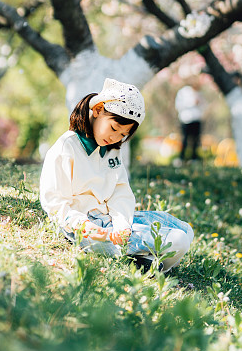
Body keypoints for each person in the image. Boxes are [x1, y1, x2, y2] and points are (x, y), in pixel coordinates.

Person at [40, 78, 194, 272]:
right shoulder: (66, 148)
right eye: (113, 128)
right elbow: (54, 202)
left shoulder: (111, 150)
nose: (115, 138)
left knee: (185, 230)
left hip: (111, 221)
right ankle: (151, 269)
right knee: (177, 240)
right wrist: (85, 226)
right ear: (97, 111)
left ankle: (142, 260)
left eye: (123, 134)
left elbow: (120, 192)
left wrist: (122, 225)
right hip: (88, 229)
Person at [175, 84, 204, 162]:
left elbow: (203, 105)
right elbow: (179, 105)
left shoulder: (198, 93)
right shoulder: (183, 92)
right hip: (186, 119)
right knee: (185, 139)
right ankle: (182, 158)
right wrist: (192, 103)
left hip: (196, 119)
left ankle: (194, 158)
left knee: (196, 140)